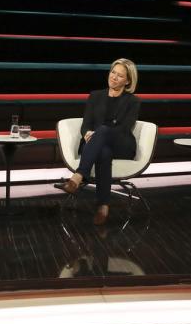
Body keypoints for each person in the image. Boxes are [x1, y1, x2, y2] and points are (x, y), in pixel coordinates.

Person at [56, 58, 140, 226]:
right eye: (113, 72)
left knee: (102, 131)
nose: (114, 77)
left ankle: (78, 177)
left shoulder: (132, 101)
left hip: (121, 144)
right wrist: (87, 133)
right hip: (97, 144)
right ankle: (103, 206)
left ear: (128, 80)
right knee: (103, 152)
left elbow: (124, 128)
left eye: (120, 75)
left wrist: (99, 133)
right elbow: (86, 124)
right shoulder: (95, 96)